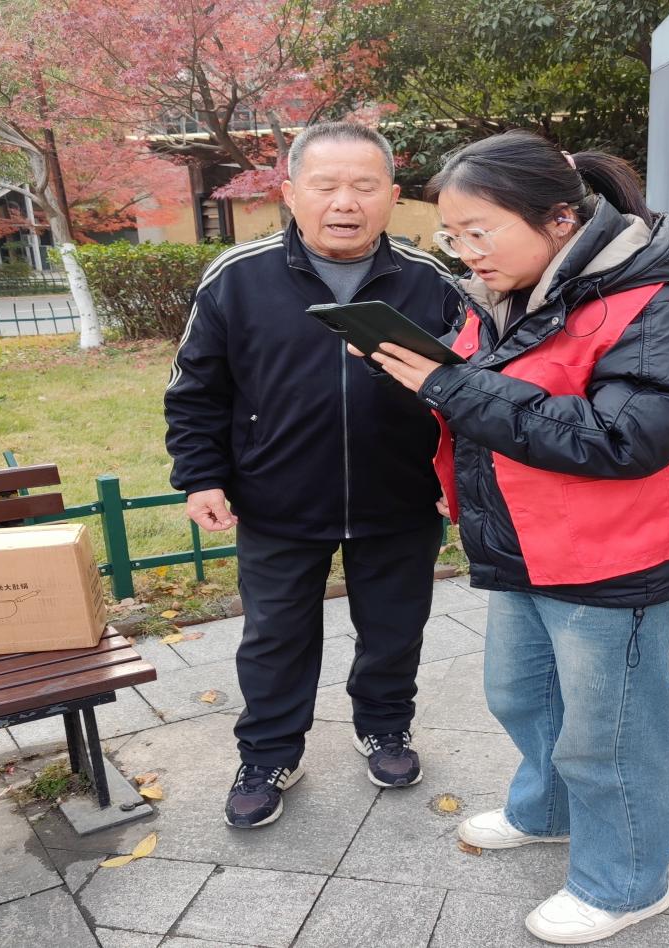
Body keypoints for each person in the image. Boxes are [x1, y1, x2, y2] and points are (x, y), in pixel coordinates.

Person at [358, 130, 669, 944]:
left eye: (478, 231)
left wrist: (454, 387)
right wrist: (416, 372)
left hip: (618, 558)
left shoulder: (660, 307)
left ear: (559, 219)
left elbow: (625, 439)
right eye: (451, 236)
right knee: (521, 695)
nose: (465, 253)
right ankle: (550, 812)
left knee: (610, 737)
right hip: (527, 545)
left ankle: (625, 883)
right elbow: (495, 404)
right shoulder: (511, 296)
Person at [164, 122, 457, 829]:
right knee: (274, 636)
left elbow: (470, 390)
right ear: (291, 193)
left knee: (395, 628)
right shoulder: (238, 276)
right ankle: (269, 754)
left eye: (363, 187)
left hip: (400, 496)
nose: (344, 203)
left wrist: (459, 479)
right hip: (276, 497)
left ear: (392, 196)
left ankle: (385, 727)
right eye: (326, 186)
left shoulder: (432, 282)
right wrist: (202, 477)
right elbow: (196, 388)